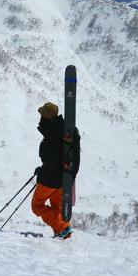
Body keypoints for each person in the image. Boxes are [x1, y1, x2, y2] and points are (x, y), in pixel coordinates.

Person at [31, 101, 79, 239]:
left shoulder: (53, 134)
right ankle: (64, 235)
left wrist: (42, 172)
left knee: (37, 205)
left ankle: (63, 228)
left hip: (51, 179)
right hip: (65, 179)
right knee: (57, 208)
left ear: (46, 117)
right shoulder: (66, 130)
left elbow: (52, 162)